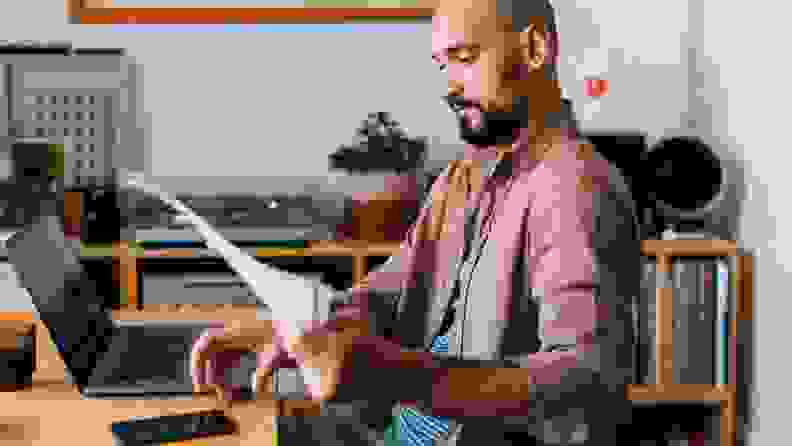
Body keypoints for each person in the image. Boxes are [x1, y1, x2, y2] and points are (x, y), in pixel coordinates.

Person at [194, 0, 641, 444]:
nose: (450, 87)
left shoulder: (575, 187)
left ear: (535, 50)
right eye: (442, 65)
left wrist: (396, 376)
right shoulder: (458, 181)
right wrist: (294, 333)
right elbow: (392, 292)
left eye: (465, 59)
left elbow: (585, 381)